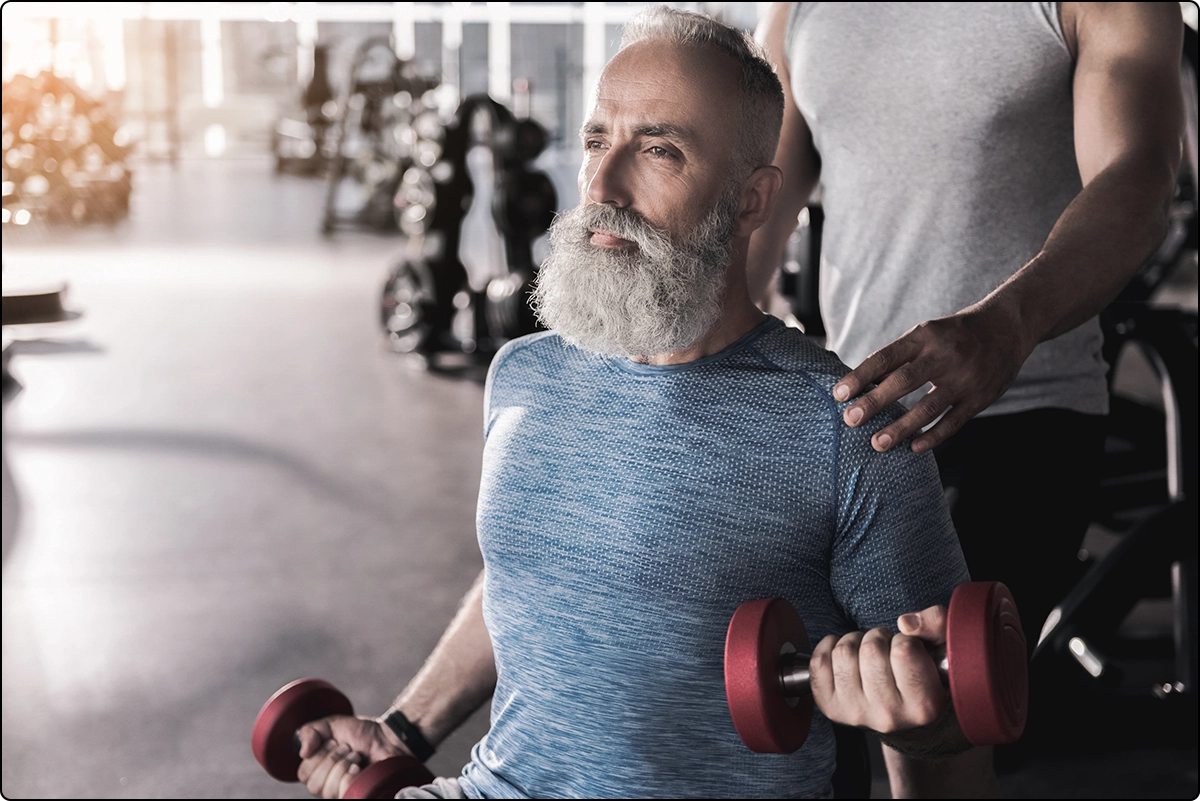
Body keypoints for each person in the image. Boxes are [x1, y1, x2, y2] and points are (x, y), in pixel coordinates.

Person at [294, 7, 999, 799]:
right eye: (599, 140)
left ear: (750, 200)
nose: (602, 184)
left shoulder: (845, 427)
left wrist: (914, 719)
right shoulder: (525, 375)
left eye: (659, 150)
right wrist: (402, 730)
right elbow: (531, 577)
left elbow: (950, 716)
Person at [749, 0, 1183, 680]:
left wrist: (1008, 322)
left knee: (939, 715)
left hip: (1022, 412)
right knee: (812, 712)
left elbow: (1140, 178)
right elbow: (756, 207)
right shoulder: (797, 8)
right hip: (854, 422)